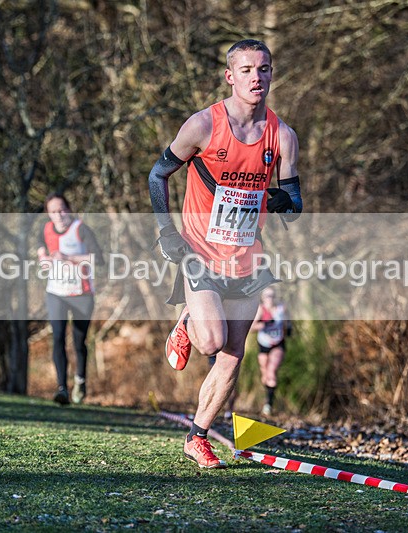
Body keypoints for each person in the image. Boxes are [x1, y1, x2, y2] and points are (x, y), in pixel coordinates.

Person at [148, 39, 302, 468]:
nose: (258, 77)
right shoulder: (202, 126)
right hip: (199, 249)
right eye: (248, 70)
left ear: (272, 74)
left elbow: (294, 205)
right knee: (212, 340)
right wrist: (166, 232)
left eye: (265, 69)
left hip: (247, 258)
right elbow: (157, 175)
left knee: (233, 355)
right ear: (230, 76)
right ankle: (189, 320)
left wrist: (264, 199)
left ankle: (197, 437)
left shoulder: (282, 136)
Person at [37, 193, 104, 406]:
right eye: (53, 211)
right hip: (56, 292)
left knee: (78, 341)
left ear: (69, 209)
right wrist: (43, 259)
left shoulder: (80, 228)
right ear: (48, 213)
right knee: (57, 337)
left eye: (62, 209)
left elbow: (98, 259)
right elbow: (41, 246)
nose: (58, 215)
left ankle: (80, 380)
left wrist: (68, 258)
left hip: (81, 294)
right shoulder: (46, 228)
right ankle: (62, 389)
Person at [250, 286, 290, 416]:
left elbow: (287, 323)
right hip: (263, 344)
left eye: (272, 295)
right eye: (267, 296)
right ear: (263, 297)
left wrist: (288, 328)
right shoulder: (260, 310)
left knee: (272, 372)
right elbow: (251, 327)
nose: (270, 299)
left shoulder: (280, 309)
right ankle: (267, 396)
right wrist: (265, 324)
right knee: (265, 375)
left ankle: (269, 405)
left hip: (278, 343)